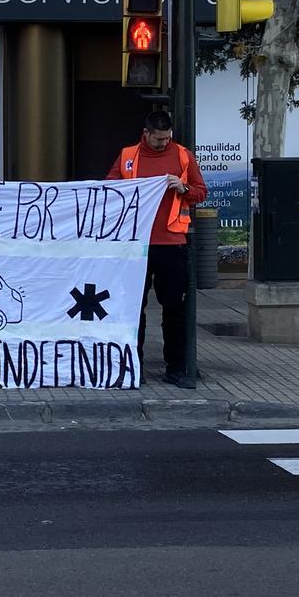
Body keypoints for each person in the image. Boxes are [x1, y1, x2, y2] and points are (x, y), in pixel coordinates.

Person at [106, 110, 207, 388]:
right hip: (137, 245)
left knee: (174, 308)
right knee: (133, 308)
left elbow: (201, 191)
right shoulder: (128, 155)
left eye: (167, 138)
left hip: (172, 243)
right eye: (159, 138)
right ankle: (132, 366)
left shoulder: (183, 156)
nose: (164, 143)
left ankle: (176, 367)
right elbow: (110, 189)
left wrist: (183, 188)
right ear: (146, 133)